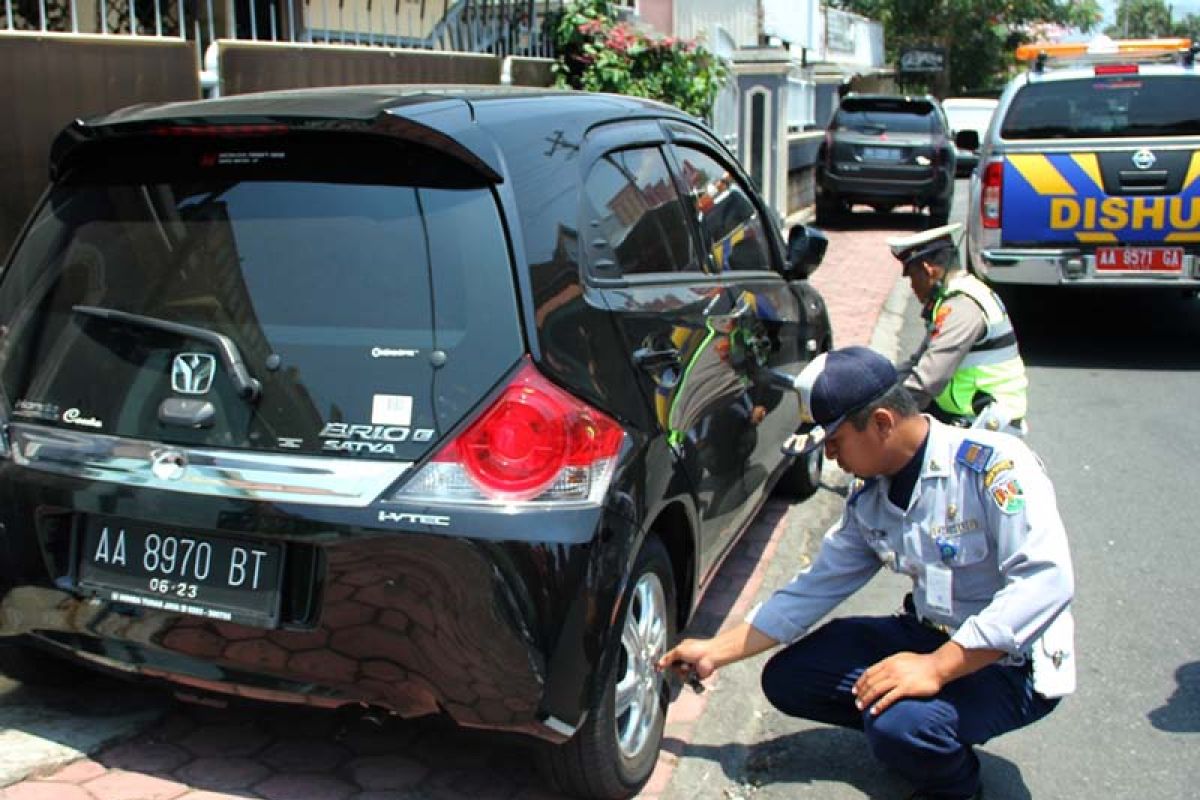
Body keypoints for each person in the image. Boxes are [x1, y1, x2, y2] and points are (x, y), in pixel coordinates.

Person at [658, 346, 1075, 800]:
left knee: (899, 725)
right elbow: (815, 587)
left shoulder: (991, 466)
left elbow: (1045, 581)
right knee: (790, 677)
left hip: (1009, 663)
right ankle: (914, 731)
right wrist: (715, 651)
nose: (833, 457)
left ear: (881, 422)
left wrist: (936, 668)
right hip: (927, 632)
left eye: (835, 442)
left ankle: (951, 780)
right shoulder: (872, 496)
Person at [890, 224, 1029, 436]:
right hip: (966, 416)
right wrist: (878, 387)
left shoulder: (962, 308)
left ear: (929, 270)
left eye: (912, 277)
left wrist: (883, 412)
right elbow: (917, 363)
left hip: (986, 424)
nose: (912, 287)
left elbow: (928, 379)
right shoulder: (951, 299)